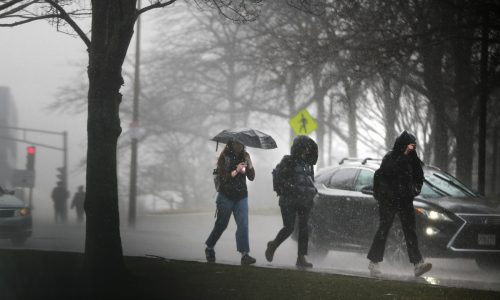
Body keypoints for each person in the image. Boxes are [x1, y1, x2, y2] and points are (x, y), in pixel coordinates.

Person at [367, 131, 432, 277]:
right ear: (402, 145)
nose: (411, 148)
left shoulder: (413, 160)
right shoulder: (391, 158)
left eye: (413, 146)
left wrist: (413, 190)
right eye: (409, 145)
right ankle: (374, 262)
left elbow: (418, 178)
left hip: (405, 199)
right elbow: (385, 174)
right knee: (384, 229)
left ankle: (417, 264)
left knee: (410, 231)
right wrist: (402, 158)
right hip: (388, 200)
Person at [265, 135, 318, 268]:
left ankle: (301, 258)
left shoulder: (309, 164)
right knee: (289, 228)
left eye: (308, 148)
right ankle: (273, 245)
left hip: (304, 201)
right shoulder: (288, 161)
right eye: (305, 147)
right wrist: (292, 188)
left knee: (304, 229)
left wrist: (311, 195)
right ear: (299, 147)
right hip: (289, 200)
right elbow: (280, 180)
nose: (307, 150)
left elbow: (310, 182)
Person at [205, 140, 256, 265]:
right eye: (237, 144)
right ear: (231, 144)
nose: (240, 146)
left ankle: (245, 254)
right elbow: (223, 179)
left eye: (241, 144)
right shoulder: (224, 158)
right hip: (226, 196)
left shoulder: (244, 157)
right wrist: (236, 170)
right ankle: (210, 247)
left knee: (243, 225)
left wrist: (249, 162)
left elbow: (251, 177)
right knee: (221, 224)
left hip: (241, 196)